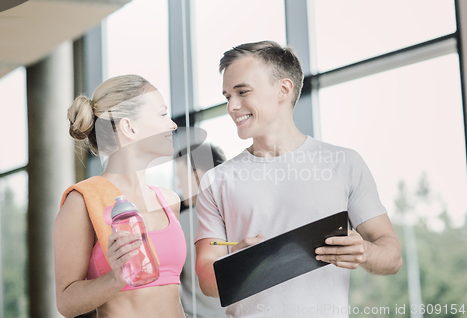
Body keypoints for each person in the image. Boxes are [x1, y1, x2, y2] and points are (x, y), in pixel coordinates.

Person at [194, 41, 403, 318]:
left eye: (242, 92)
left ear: (284, 89)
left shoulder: (343, 163)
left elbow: (392, 255)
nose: (232, 106)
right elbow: (206, 282)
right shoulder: (216, 181)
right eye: (227, 96)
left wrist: (364, 250)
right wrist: (237, 264)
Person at [54, 75, 188, 318]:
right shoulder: (83, 201)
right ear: (129, 127)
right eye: (161, 114)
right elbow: (66, 302)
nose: (173, 125)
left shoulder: (168, 201)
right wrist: (116, 278)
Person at [175, 143, 228, 318]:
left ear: (198, 177)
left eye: (180, 178)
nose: (180, 187)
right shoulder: (242, 215)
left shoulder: (183, 222)